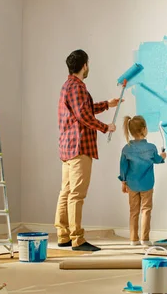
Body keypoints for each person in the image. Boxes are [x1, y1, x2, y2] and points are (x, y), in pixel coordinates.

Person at [55, 49, 121, 252]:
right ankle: (77, 239)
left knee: (66, 192)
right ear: (84, 65)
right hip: (79, 147)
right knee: (77, 194)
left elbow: (82, 109)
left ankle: (63, 235)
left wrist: (106, 105)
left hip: (68, 149)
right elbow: (84, 115)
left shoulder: (69, 86)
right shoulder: (78, 87)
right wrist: (105, 127)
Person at [118, 115, 166, 246]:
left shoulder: (126, 149)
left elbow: (123, 168)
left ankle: (133, 239)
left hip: (132, 184)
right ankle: (144, 239)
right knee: (146, 210)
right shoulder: (151, 148)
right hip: (147, 184)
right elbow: (157, 160)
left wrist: (123, 182)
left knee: (133, 212)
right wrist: (162, 156)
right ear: (144, 129)